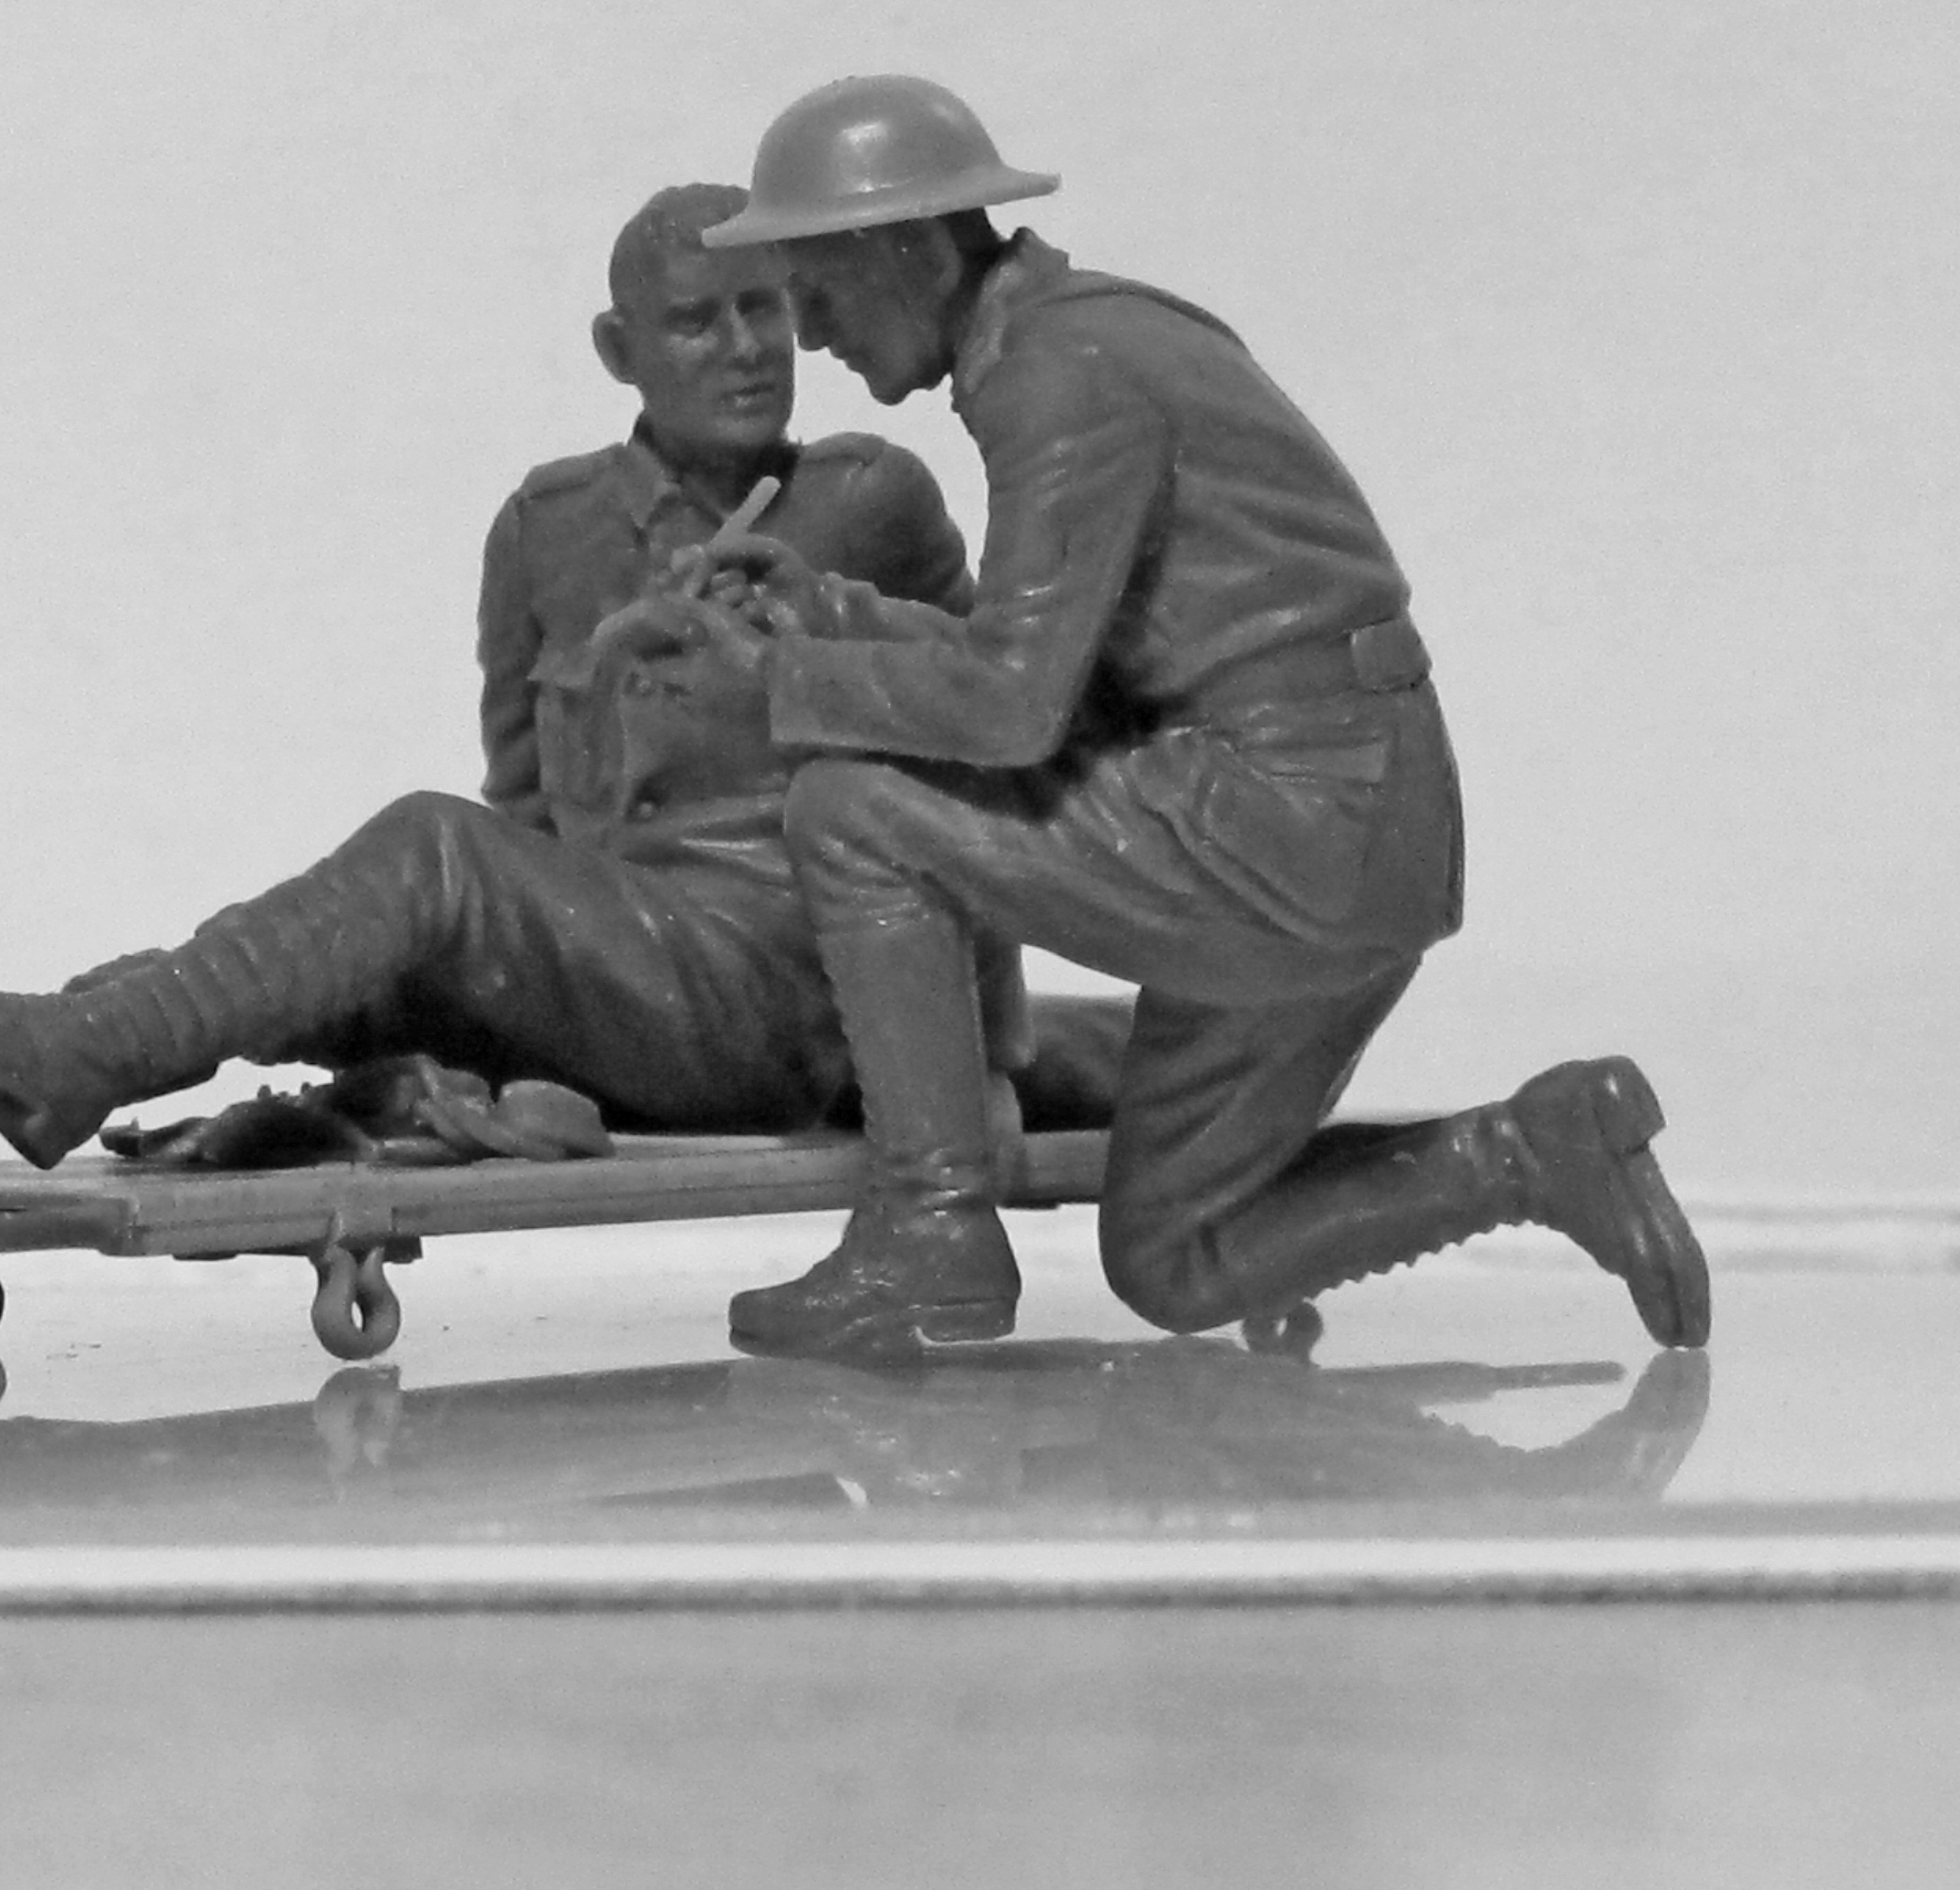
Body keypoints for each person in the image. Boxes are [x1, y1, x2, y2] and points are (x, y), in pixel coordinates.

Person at [0, 182, 1132, 1174]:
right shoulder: (549, 529)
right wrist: (501, 992)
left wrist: (984, 1065)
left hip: (793, 991)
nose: (748, 349)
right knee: (315, 953)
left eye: (768, 307)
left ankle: (36, 1065)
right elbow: (522, 812)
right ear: (620, 352)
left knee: (427, 854)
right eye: (698, 321)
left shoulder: (870, 503)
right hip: (623, 973)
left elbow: (988, 779)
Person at [683, 77, 1711, 1357]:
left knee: (848, 811)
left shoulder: (1053, 379)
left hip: (1285, 819)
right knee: (1176, 1256)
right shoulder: (1096, 333)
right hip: (1347, 815)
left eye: (818, 289)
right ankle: (1537, 1151)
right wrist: (831, 618)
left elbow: (1013, 707)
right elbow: (1064, 664)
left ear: (912, 251)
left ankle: (931, 1229)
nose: (811, 332)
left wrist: (783, 687)